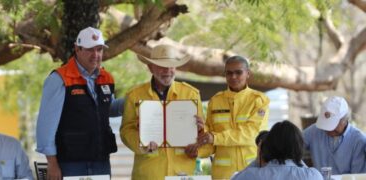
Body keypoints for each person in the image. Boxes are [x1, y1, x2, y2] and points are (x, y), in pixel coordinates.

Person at [36, 27, 122, 179]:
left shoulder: (106, 78)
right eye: (90, 50)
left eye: (99, 49)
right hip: (70, 163)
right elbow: (46, 126)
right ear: (77, 49)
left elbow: (108, 109)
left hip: (101, 161)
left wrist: (134, 101)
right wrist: (52, 163)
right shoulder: (59, 79)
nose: (95, 55)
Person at [120, 44, 212, 180]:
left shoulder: (191, 93)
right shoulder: (134, 95)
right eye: (162, 66)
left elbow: (203, 133)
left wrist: (200, 129)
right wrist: (141, 143)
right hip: (148, 174)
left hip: (182, 173)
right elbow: (126, 131)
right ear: (150, 67)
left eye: (171, 66)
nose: (167, 70)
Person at [197, 55, 270, 179]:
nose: (233, 77)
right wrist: (198, 143)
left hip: (252, 172)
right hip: (222, 175)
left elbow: (250, 133)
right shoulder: (215, 101)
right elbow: (210, 144)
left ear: (248, 73)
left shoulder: (259, 100)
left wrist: (214, 137)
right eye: (229, 73)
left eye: (238, 72)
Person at [232, 121, 323, 180]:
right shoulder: (312, 176)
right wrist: (296, 158)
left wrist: (258, 158)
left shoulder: (249, 175)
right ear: (299, 147)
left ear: (267, 147)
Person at [303, 96, 366, 174]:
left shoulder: (359, 140)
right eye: (325, 124)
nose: (328, 129)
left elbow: (357, 176)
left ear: (345, 120)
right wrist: (304, 171)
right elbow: (291, 148)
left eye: (332, 125)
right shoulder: (313, 131)